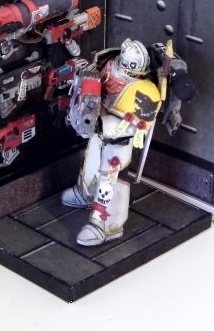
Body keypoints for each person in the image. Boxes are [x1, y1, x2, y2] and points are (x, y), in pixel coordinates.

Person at [62, 38, 162, 246]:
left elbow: (138, 125)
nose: (115, 78)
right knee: (90, 161)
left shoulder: (144, 90)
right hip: (99, 122)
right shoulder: (109, 62)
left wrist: (105, 125)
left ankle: (104, 224)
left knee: (110, 176)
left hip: (120, 134)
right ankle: (85, 194)